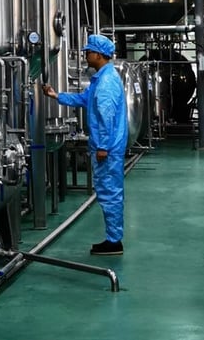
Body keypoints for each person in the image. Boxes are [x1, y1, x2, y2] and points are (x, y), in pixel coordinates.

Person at [43, 34, 128, 256]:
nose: (85, 55)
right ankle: (113, 238)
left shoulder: (106, 83)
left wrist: (103, 147)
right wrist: (56, 96)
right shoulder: (101, 78)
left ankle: (114, 242)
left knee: (110, 193)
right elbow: (83, 99)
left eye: (88, 52)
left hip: (108, 148)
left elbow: (106, 118)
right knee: (107, 191)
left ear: (99, 55)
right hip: (106, 146)